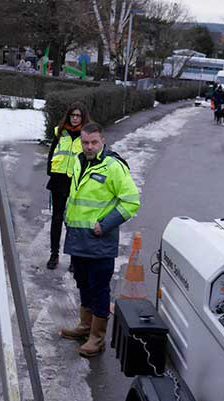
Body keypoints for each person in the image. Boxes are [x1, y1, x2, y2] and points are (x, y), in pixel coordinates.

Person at [61, 122, 140, 358]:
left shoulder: (113, 167)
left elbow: (131, 202)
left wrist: (104, 226)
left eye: (94, 142)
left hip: (99, 243)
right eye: (85, 142)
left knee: (99, 289)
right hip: (78, 240)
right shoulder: (78, 161)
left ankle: (97, 337)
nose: (89, 147)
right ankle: (85, 327)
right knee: (83, 284)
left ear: (102, 141)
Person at [45, 102, 90, 271]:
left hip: (76, 182)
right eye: (73, 115)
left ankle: (73, 257)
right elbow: (52, 152)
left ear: (83, 117)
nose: (75, 118)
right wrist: (50, 170)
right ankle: (54, 254)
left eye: (78, 116)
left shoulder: (86, 134)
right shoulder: (60, 132)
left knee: (73, 222)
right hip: (58, 181)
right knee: (56, 219)